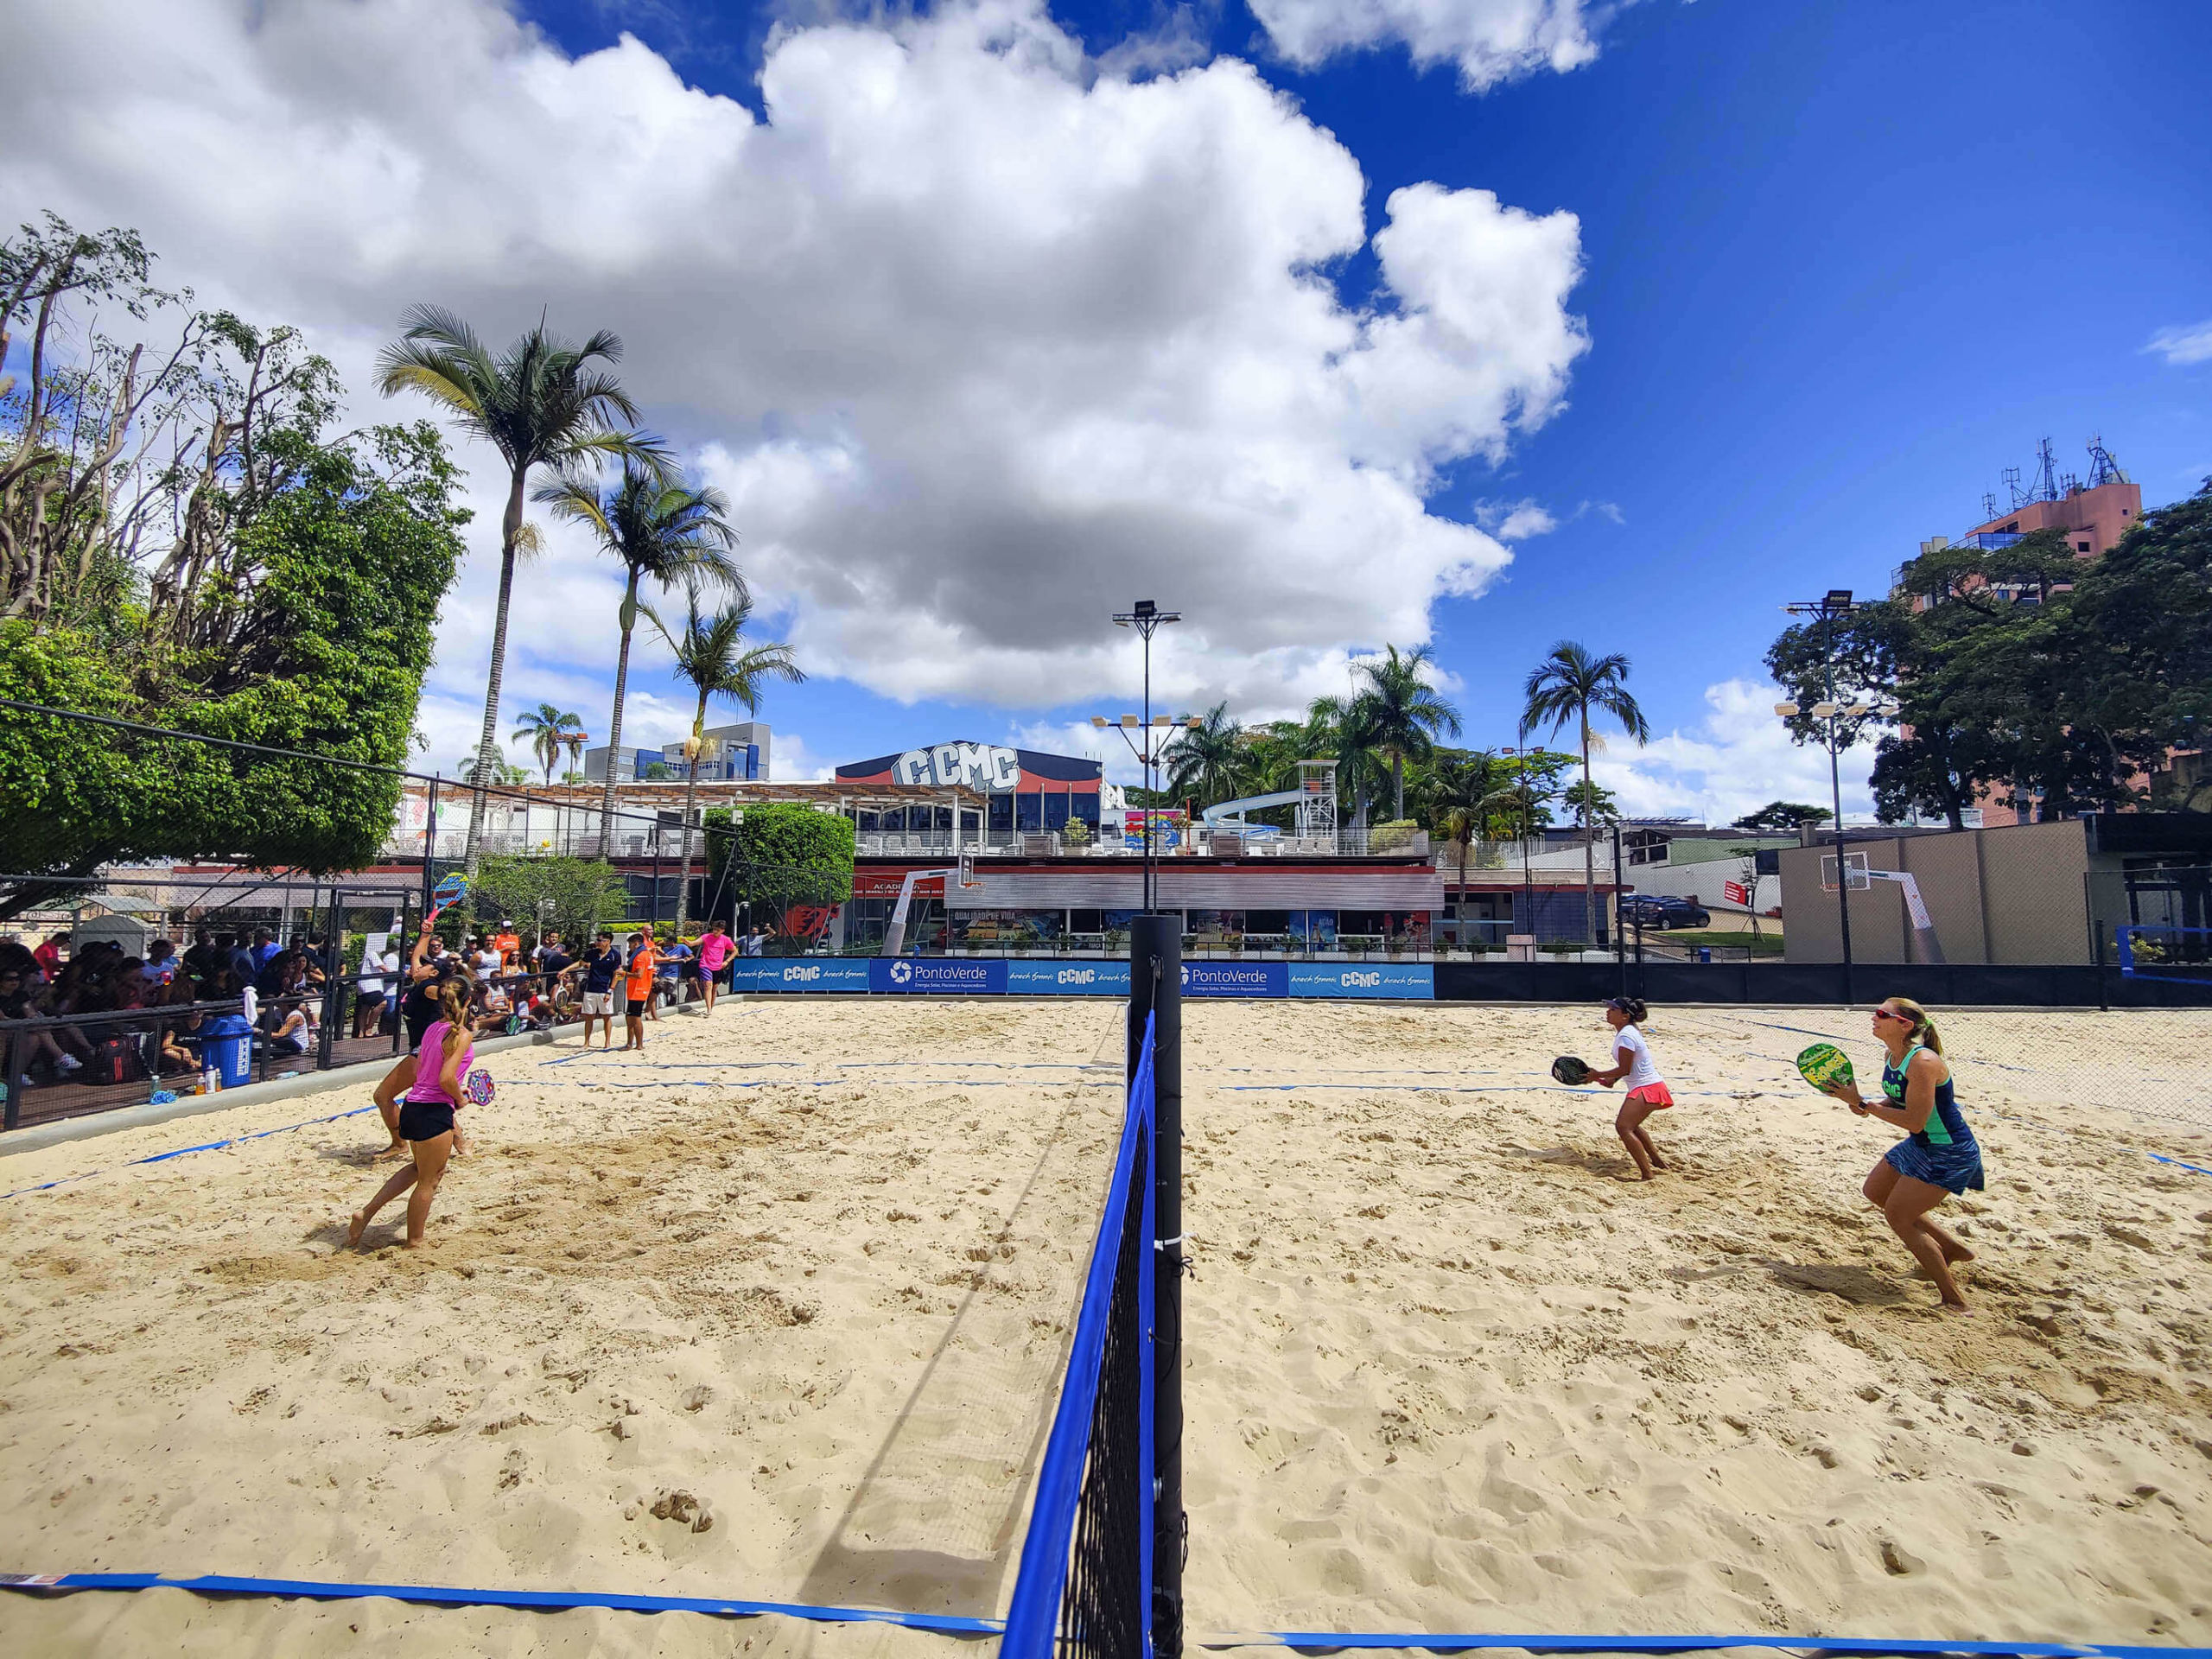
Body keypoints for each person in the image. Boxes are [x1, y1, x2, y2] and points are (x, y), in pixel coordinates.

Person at [1825, 996, 1983, 1313]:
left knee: (1898, 1215)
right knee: (1875, 1191)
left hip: (1948, 1150)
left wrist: (1868, 1107)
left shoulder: (1923, 1062)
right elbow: (1896, 1102)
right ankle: (1951, 1248)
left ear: (1905, 1025)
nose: (1874, 1017)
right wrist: (1859, 1102)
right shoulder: (1893, 1055)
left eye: (1882, 1014)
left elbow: (1914, 1119)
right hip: (1923, 1144)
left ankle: (1955, 1300)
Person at [349, 978, 474, 1248]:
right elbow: (446, 1079)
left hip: (413, 1105)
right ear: (468, 1002)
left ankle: (366, 1213)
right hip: (433, 1111)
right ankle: (414, 1242)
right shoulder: (461, 1035)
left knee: (417, 1169)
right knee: (430, 1180)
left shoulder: (432, 1029)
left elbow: (425, 1072)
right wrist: (460, 1099)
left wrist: (455, 1093)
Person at [1589, 995, 1674, 1181]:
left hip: (1648, 1087)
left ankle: (1647, 1174)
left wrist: (1597, 1074)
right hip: (1648, 1085)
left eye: (1612, 1009)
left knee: (1623, 1127)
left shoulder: (1626, 1035)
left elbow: (1625, 1068)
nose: (1607, 1012)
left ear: (1625, 1016)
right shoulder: (1628, 1031)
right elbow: (1630, 1066)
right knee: (1632, 1126)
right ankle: (1658, 1162)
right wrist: (1611, 1079)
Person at [569, 930, 620, 1048]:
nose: (598, 942)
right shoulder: (592, 953)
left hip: (604, 989)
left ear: (608, 942)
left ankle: (607, 1042)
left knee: (606, 1016)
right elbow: (580, 963)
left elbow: (618, 973)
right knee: (588, 1016)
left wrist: (611, 990)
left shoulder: (615, 955)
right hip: (591, 988)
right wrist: (565, 970)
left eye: (600, 940)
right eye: (598, 940)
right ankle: (587, 1042)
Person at [622, 931, 658, 1051]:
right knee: (630, 1017)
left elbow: (638, 974)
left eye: (631, 945)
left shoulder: (641, 956)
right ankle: (630, 1043)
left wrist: (624, 973)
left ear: (636, 943)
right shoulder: (646, 954)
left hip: (638, 989)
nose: (630, 947)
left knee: (635, 1018)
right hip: (637, 989)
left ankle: (638, 1044)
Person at [696, 920, 734, 1014]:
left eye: (717, 930)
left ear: (722, 930)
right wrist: (688, 942)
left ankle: (711, 1007)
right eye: (713, 929)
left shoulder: (725, 939)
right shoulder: (707, 937)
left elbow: (735, 951)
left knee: (714, 988)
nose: (714, 931)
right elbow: (695, 943)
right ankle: (709, 1009)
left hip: (718, 966)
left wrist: (726, 961)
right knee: (708, 985)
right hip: (705, 964)